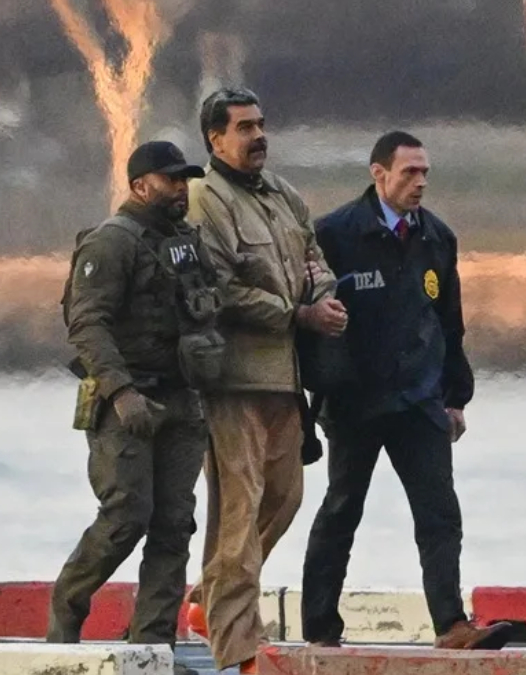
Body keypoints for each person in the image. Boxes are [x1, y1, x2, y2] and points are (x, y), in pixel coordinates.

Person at [299, 131, 512, 650]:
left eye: (424, 173)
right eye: (408, 172)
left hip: (419, 399)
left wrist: (456, 397)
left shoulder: (437, 237)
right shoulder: (334, 234)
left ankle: (450, 624)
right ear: (379, 174)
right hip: (355, 401)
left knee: (439, 513)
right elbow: (308, 322)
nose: (419, 183)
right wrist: (314, 393)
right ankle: (320, 629)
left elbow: (449, 323)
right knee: (341, 510)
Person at [183, 87, 348, 674]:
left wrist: (323, 296)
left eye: (260, 124)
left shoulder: (282, 195)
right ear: (215, 139)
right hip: (233, 379)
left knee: (285, 497)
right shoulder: (205, 199)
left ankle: (208, 599)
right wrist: (296, 313)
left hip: (285, 376)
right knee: (239, 505)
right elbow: (219, 287)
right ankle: (239, 649)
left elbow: (314, 259)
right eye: (244, 127)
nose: (258, 136)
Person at [46, 141, 223, 672]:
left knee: (175, 523)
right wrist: (122, 392)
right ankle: (66, 611)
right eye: (171, 180)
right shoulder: (112, 242)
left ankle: (154, 644)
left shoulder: (186, 242)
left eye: (185, 180)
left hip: (182, 399)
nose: (181, 189)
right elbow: (87, 325)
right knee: (126, 515)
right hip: (127, 402)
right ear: (141, 186)